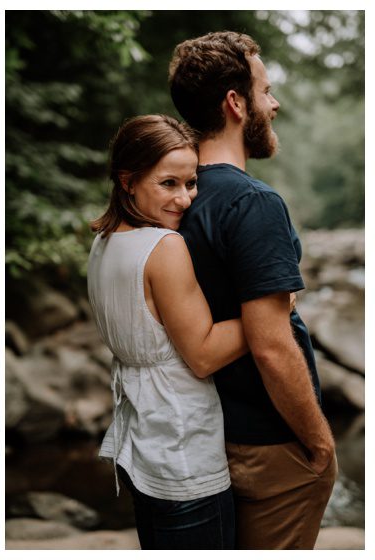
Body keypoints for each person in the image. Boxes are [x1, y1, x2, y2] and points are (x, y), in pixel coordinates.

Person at [168, 31, 336, 550]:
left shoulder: (171, 201)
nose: (274, 103)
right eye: (265, 91)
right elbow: (270, 345)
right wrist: (319, 444)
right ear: (236, 104)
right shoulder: (253, 203)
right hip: (268, 443)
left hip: (202, 435)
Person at [88, 114, 250, 549]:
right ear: (128, 181)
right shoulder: (164, 247)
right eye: (168, 184)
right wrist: (269, 309)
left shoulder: (103, 243)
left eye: (191, 183)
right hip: (184, 454)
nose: (184, 199)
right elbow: (203, 355)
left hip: (142, 446)